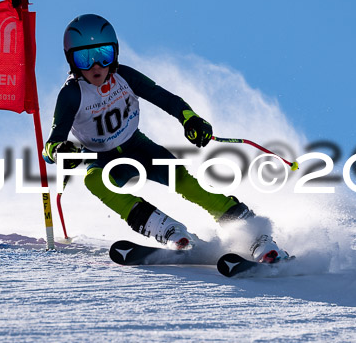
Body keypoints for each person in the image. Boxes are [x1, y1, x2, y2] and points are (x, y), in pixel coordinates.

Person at [42, 14, 286, 262]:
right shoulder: (71, 94)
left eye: (103, 55)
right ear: (71, 61)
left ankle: (252, 232)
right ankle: (167, 229)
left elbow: (165, 98)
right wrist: (60, 152)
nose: (96, 66)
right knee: (94, 180)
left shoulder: (125, 77)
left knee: (184, 182)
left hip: (138, 146)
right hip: (103, 159)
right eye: (84, 58)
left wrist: (189, 118)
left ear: (115, 53)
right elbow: (50, 146)